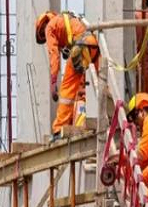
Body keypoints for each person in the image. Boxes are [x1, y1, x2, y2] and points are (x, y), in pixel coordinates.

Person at [35, 11, 100, 141]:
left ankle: (59, 128)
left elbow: (54, 54)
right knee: (101, 82)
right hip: (93, 45)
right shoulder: (64, 19)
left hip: (81, 47)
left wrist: (53, 80)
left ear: (42, 28)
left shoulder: (49, 28)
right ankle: (112, 115)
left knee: (67, 90)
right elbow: (74, 33)